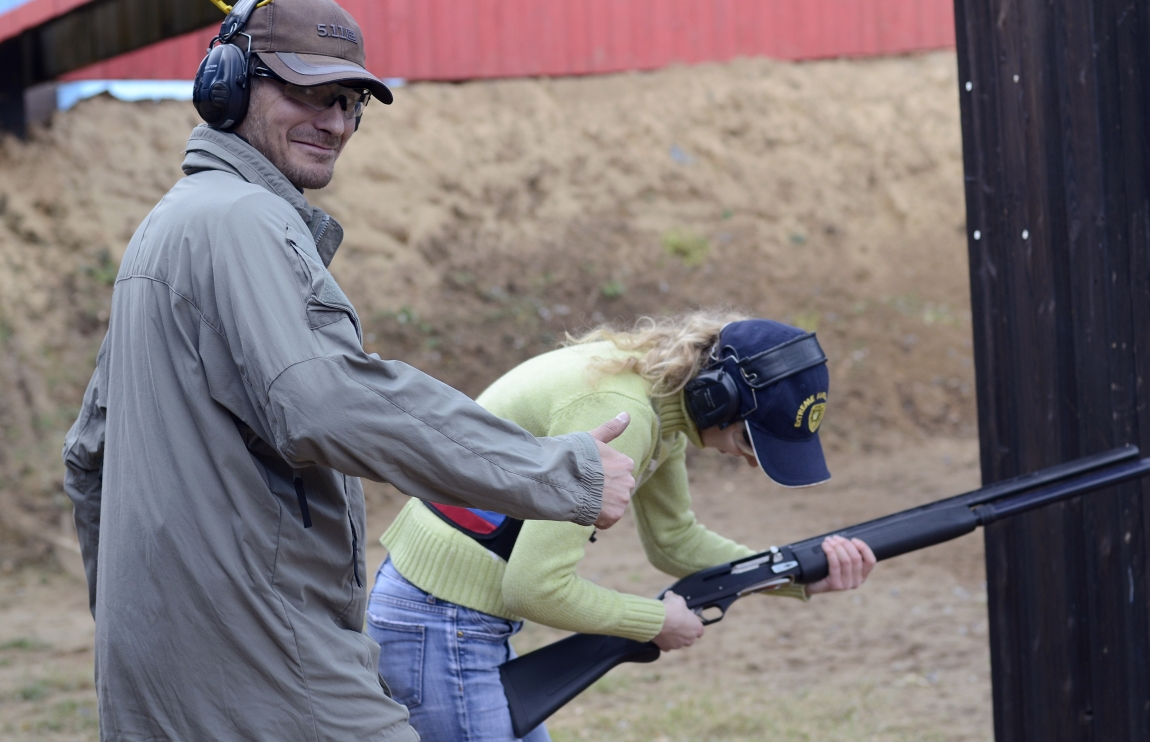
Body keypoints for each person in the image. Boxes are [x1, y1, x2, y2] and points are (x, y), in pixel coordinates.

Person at [61, 0, 637, 742]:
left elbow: (88, 456)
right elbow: (328, 402)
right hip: (266, 662)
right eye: (307, 93)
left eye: (348, 102)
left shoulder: (172, 226)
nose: (333, 121)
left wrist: (144, 634)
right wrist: (559, 471)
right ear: (227, 86)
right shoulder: (243, 221)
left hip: (171, 672)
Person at [368, 312, 877, 741]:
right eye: (750, 441)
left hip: (448, 617)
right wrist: (655, 622)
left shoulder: (658, 398)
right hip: (441, 623)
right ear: (714, 398)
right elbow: (534, 588)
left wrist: (796, 574)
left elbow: (674, 541)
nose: (749, 461)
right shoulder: (627, 413)